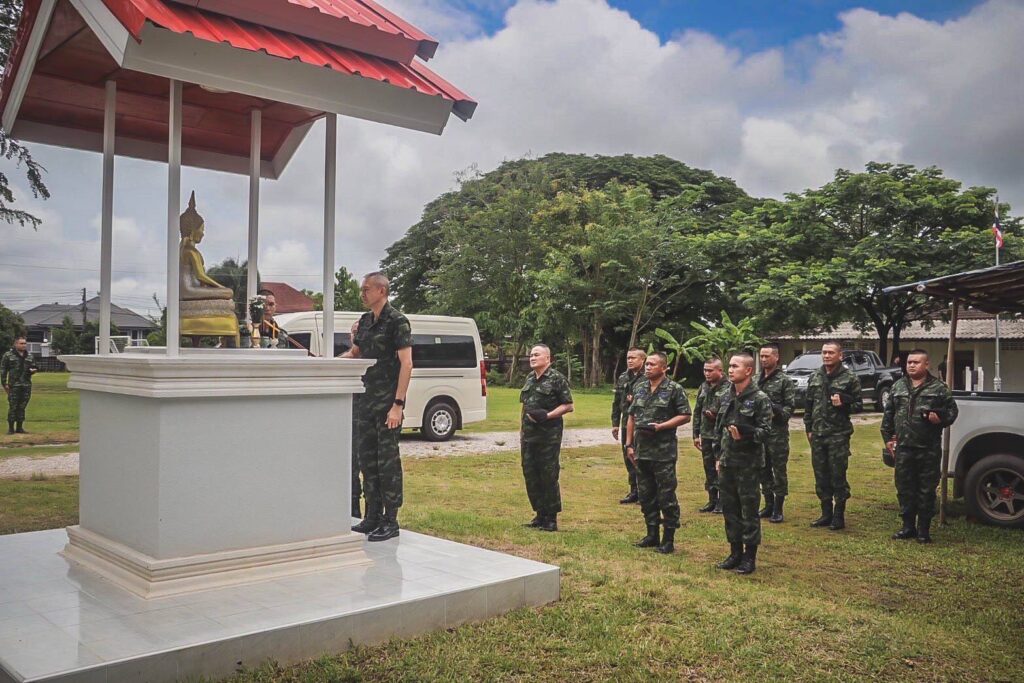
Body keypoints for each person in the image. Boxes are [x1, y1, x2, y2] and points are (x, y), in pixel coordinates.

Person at [340, 272, 413, 542]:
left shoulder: (397, 321)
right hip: (365, 401)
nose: (362, 293)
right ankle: (372, 515)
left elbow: (407, 363)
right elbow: (356, 353)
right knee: (367, 460)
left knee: (387, 462)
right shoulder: (364, 321)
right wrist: (331, 363)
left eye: (366, 289)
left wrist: (398, 405)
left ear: (382, 290)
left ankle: (390, 520)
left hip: (387, 403)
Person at [881, 349, 958, 543]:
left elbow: (952, 412)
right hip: (904, 448)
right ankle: (908, 527)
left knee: (926, 490)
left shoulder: (939, 388)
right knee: (904, 488)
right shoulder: (898, 386)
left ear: (926, 364)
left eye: (916, 362)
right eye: (909, 362)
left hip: (927, 448)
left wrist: (940, 419)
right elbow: (888, 414)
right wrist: (888, 438)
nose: (911, 365)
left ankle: (923, 530)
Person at [625, 352, 691, 554]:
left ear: (664, 368)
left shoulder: (674, 389)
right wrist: (629, 444)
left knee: (666, 496)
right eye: (647, 364)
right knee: (646, 495)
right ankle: (651, 534)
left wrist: (662, 426)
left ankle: (668, 539)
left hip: (663, 452)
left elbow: (685, 415)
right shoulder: (640, 387)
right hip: (642, 451)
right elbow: (632, 417)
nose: (648, 367)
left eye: (652, 364)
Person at [714, 353, 772, 574]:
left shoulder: (760, 399)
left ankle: (749, 556)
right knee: (730, 509)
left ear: (748, 370)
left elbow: (766, 432)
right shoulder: (725, 396)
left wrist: (746, 435)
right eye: (729, 366)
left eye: (735, 366)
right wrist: (718, 456)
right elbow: (720, 430)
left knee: (748, 510)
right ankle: (734, 552)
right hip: (727, 462)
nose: (730, 370)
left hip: (748, 463)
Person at [804, 342, 863, 531]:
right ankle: (826, 513)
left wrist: (844, 402)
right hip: (818, 434)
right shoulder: (815, 376)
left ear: (840, 355)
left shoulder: (849, 377)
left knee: (838, 475)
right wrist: (808, 428)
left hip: (838, 434)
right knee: (821, 475)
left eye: (831, 352)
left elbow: (859, 405)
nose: (827, 356)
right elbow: (809, 404)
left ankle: (838, 515)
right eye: (824, 352)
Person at [519, 344, 574, 532]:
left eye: (536, 354)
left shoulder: (556, 378)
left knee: (548, 476)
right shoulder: (530, 378)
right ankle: (539, 514)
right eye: (531, 355)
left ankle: (551, 518)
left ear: (548, 358)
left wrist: (548, 416)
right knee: (531, 474)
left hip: (548, 437)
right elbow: (525, 407)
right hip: (529, 436)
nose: (532, 357)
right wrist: (521, 432)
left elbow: (568, 405)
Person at [755, 343, 796, 523]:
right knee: (762, 470)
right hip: (759, 433)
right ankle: (768, 504)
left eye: (767, 356)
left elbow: (789, 410)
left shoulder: (784, 381)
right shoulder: (755, 379)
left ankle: (778, 508)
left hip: (777, 434)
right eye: (762, 356)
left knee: (779, 471)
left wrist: (775, 410)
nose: (764, 359)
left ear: (776, 357)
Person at [691, 357, 731, 514]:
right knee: (709, 468)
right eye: (705, 370)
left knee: (721, 468)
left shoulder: (729, 387)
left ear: (720, 371)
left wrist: (715, 416)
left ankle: (723, 501)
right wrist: (695, 434)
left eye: (710, 370)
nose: (706, 373)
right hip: (706, 434)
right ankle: (712, 499)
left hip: (722, 436)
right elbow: (697, 411)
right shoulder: (704, 386)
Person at [611, 347, 647, 504]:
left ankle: (645, 491)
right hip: (627, 422)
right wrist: (615, 423)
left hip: (642, 423)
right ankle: (634, 490)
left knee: (641, 458)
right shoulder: (623, 377)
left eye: (633, 358)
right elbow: (617, 401)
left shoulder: (648, 377)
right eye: (628, 358)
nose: (630, 360)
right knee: (628, 456)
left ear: (642, 360)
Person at [1, 336, 37, 434]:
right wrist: (4, 383)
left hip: (26, 385)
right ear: (16, 344)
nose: (23, 345)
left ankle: (19, 428)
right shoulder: (8, 355)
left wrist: (33, 370)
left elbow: (34, 366)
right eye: (21, 343)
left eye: (25, 343)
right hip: (14, 385)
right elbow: (3, 370)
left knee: (22, 406)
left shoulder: (29, 356)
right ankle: (11, 428)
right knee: (13, 406)